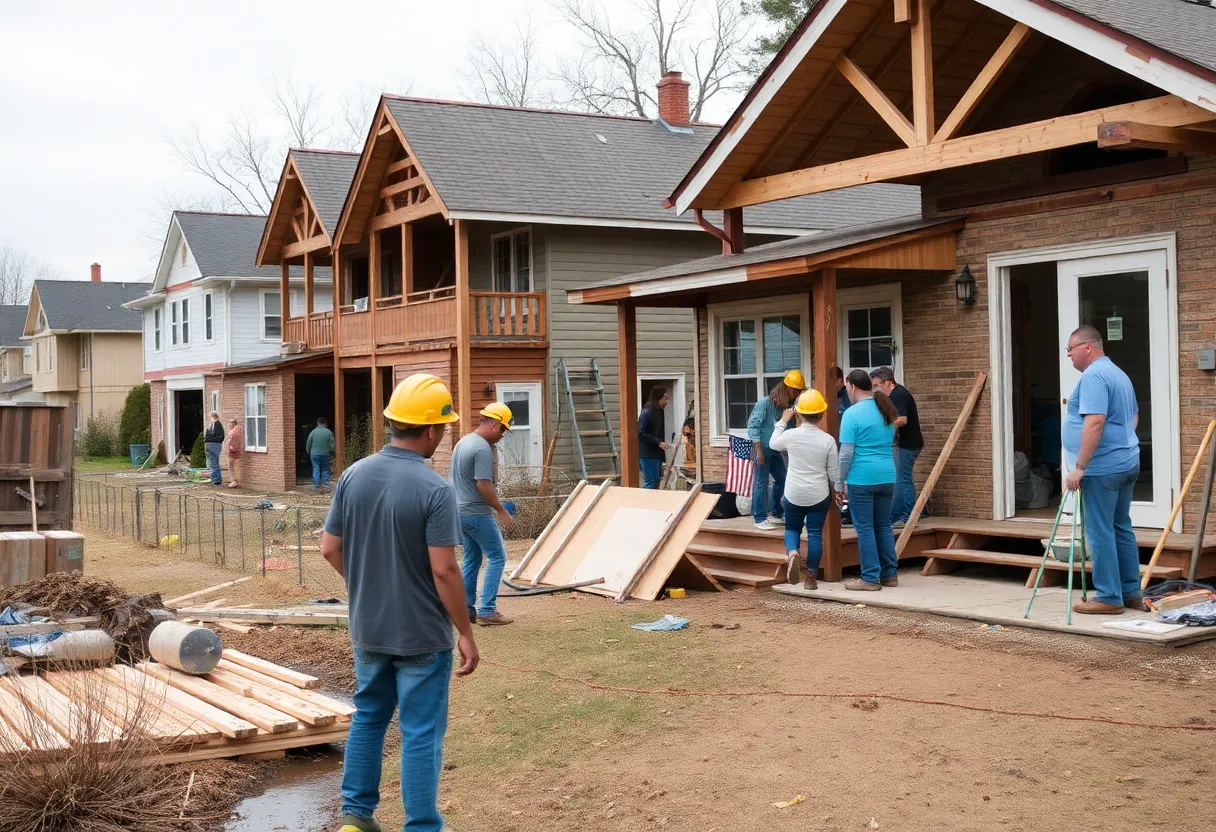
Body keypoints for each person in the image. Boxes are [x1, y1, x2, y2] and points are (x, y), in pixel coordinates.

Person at [321, 374, 478, 832]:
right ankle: (422, 826)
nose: (444, 435)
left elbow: (330, 548)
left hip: (369, 627)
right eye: (444, 428)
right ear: (430, 431)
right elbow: (445, 570)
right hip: (422, 635)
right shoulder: (434, 490)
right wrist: (466, 633)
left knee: (369, 717)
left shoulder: (353, 475)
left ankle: (356, 818)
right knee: (420, 731)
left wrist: (370, 583)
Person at [1061, 325, 1143, 615]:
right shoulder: (1118, 373)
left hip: (1102, 468)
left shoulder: (1095, 376)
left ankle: (1109, 597)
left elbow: (1094, 422)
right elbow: (1132, 417)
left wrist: (1080, 467)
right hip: (1126, 461)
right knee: (1121, 527)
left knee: (1099, 531)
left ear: (1087, 347)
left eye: (1070, 349)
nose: (1068, 356)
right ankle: (1131, 592)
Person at [451, 402, 515, 627]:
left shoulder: (463, 443)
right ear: (495, 424)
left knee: (472, 558)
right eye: (503, 430)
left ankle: (467, 609)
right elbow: (484, 484)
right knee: (498, 557)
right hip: (477, 512)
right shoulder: (481, 448)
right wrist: (501, 510)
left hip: (460, 511)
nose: (502, 436)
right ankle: (487, 610)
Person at [770, 388, 839, 590]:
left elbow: (773, 444)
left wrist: (783, 421)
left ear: (799, 413)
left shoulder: (791, 435)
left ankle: (792, 553)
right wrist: (840, 491)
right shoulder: (827, 440)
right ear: (822, 414)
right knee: (815, 534)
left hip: (793, 493)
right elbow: (834, 473)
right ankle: (811, 576)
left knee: (792, 528)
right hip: (818, 494)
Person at [836, 369, 899, 591]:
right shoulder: (885, 410)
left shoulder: (852, 414)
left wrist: (838, 481)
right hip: (887, 475)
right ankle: (890, 574)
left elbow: (845, 454)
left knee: (864, 528)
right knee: (883, 525)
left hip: (862, 478)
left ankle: (870, 577)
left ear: (851, 386)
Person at [746, 370, 806, 530]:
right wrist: (758, 450)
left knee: (782, 479)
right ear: (785, 389)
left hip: (775, 450)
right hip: (761, 448)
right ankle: (759, 517)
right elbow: (753, 426)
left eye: (799, 392)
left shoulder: (788, 407)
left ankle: (776, 512)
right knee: (761, 483)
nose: (796, 394)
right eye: (794, 391)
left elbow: (789, 431)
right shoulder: (764, 404)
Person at [869, 367, 923, 527]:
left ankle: (907, 517)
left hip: (908, 444)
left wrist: (881, 426)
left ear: (888, 382)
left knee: (903, 480)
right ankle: (896, 515)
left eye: (877, 385)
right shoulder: (894, 394)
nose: (875, 390)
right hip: (904, 444)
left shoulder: (899, 394)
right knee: (899, 479)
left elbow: (902, 419)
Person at [637, 386, 669, 489]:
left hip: (656, 454)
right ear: (658, 397)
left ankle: (652, 504)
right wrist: (658, 442)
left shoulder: (658, 411)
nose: (666, 400)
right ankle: (642, 504)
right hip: (648, 454)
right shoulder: (648, 411)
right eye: (664, 397)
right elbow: (641, 432)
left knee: (656, 481)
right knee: (650, 482)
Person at [306, 417, 337, 492]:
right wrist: (333, 452)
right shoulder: (329, 432)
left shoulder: (313, 432)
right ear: (325, 423)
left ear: (318, 423)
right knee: (325, 469)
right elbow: (332, 444)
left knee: (316, 468)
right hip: (325, 453)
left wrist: (308, 451)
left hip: (314, 454)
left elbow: (308, 442)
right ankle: (325, 484)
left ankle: (316, 485)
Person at [203, 411, 224, 486]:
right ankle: (213, 479)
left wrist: (208, 437)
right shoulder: (213, 425)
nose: (209, 419)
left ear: (213, 417)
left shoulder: (217, 425)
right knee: (211, 463)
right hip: (210, 446)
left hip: (214, 446)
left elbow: (219, 437)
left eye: (210, 417)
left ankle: (217, 481)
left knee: (214, 463)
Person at [226, 419, 243, 488]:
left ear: (232, 424)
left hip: (232, 450)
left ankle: (233, 481)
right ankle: (237, 481)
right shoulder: (240, 430)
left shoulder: (232, 432)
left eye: (229, 423)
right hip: (238, 450)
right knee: (236, 466)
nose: (228, 425)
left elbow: (229, 442)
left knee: (230, 466)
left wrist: (227, 447)